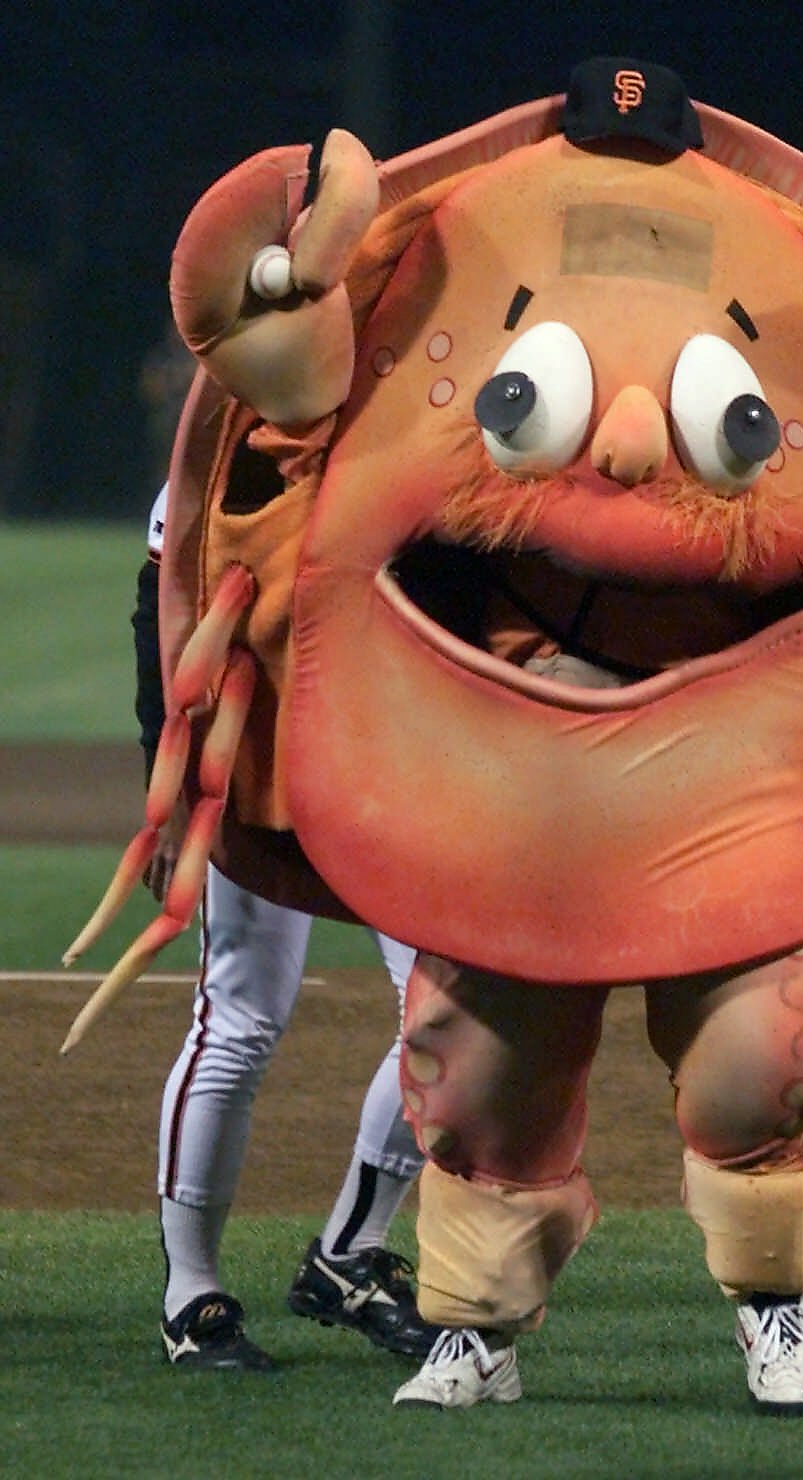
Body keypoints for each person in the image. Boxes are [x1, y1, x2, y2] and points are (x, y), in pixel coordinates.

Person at [137, 484, 439, 1371]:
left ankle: (346, 1257)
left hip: (393, 759)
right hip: (256, 750)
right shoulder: (249, 435)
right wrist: (170, 779)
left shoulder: (426, 405)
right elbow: (157, 594)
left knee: (449, 1019)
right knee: (240, 1021)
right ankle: (189, 1294)